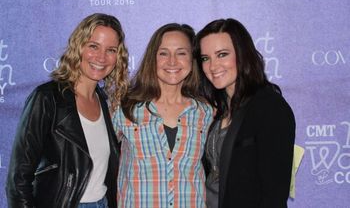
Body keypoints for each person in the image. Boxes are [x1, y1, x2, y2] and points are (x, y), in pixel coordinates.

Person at [6, 13, 129, 208]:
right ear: (79, 47)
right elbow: (18, 179)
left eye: (111, 50)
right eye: (93, 46)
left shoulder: (105, 102)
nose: (101, 57)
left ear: (118, 57)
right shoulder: (47, 98)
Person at [195, 18, 295, 208]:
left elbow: (274, 194)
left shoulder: (269, 107)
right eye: (205, 58)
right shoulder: (217, 110)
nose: (213, 66)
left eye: (222, 54)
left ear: (242, 54)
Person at [112, 23, 213, 207]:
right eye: (163, 53)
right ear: (153, 58)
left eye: (181, 53)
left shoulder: (206, 112)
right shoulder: (125, 108)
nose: (172, 61)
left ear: (192, 59)